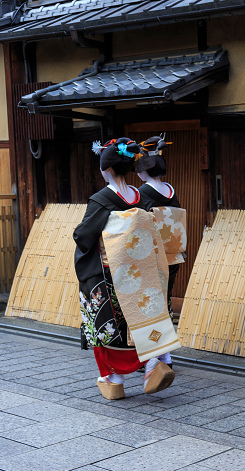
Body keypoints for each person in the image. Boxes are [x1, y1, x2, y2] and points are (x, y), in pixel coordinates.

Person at [73, 138, 175, 400]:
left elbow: (84, 235)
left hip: (111, 275)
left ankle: (114, 378)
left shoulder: (102, 199)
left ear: (106, 169)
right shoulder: (140, 197)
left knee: (110, 322)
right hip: (141, 273)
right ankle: (153, 362)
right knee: (140, 318)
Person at [137, 134, 183, 369]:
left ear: (142, 170)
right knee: (163, 301)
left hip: (150, 256)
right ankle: (165, 355)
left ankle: (155, 356)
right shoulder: (170, 190)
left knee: (149, 305)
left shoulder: (141, 194)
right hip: (172, 255)